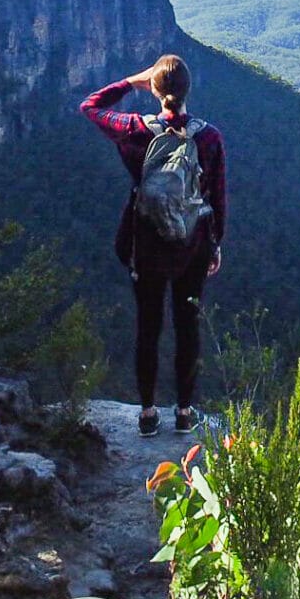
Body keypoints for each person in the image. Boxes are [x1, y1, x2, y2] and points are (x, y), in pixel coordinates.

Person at [81, 54, 226, 437]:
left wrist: (131, 82)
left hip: (145, 245)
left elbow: (90, 106)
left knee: (148, 327)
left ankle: (147, 414)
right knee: (187, 327)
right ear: (187, 90)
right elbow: (218, 197)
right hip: (192, 244)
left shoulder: (134, 129)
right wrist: (215, 245)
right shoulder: (208, 137)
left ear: (156, 90)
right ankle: (184, 411)